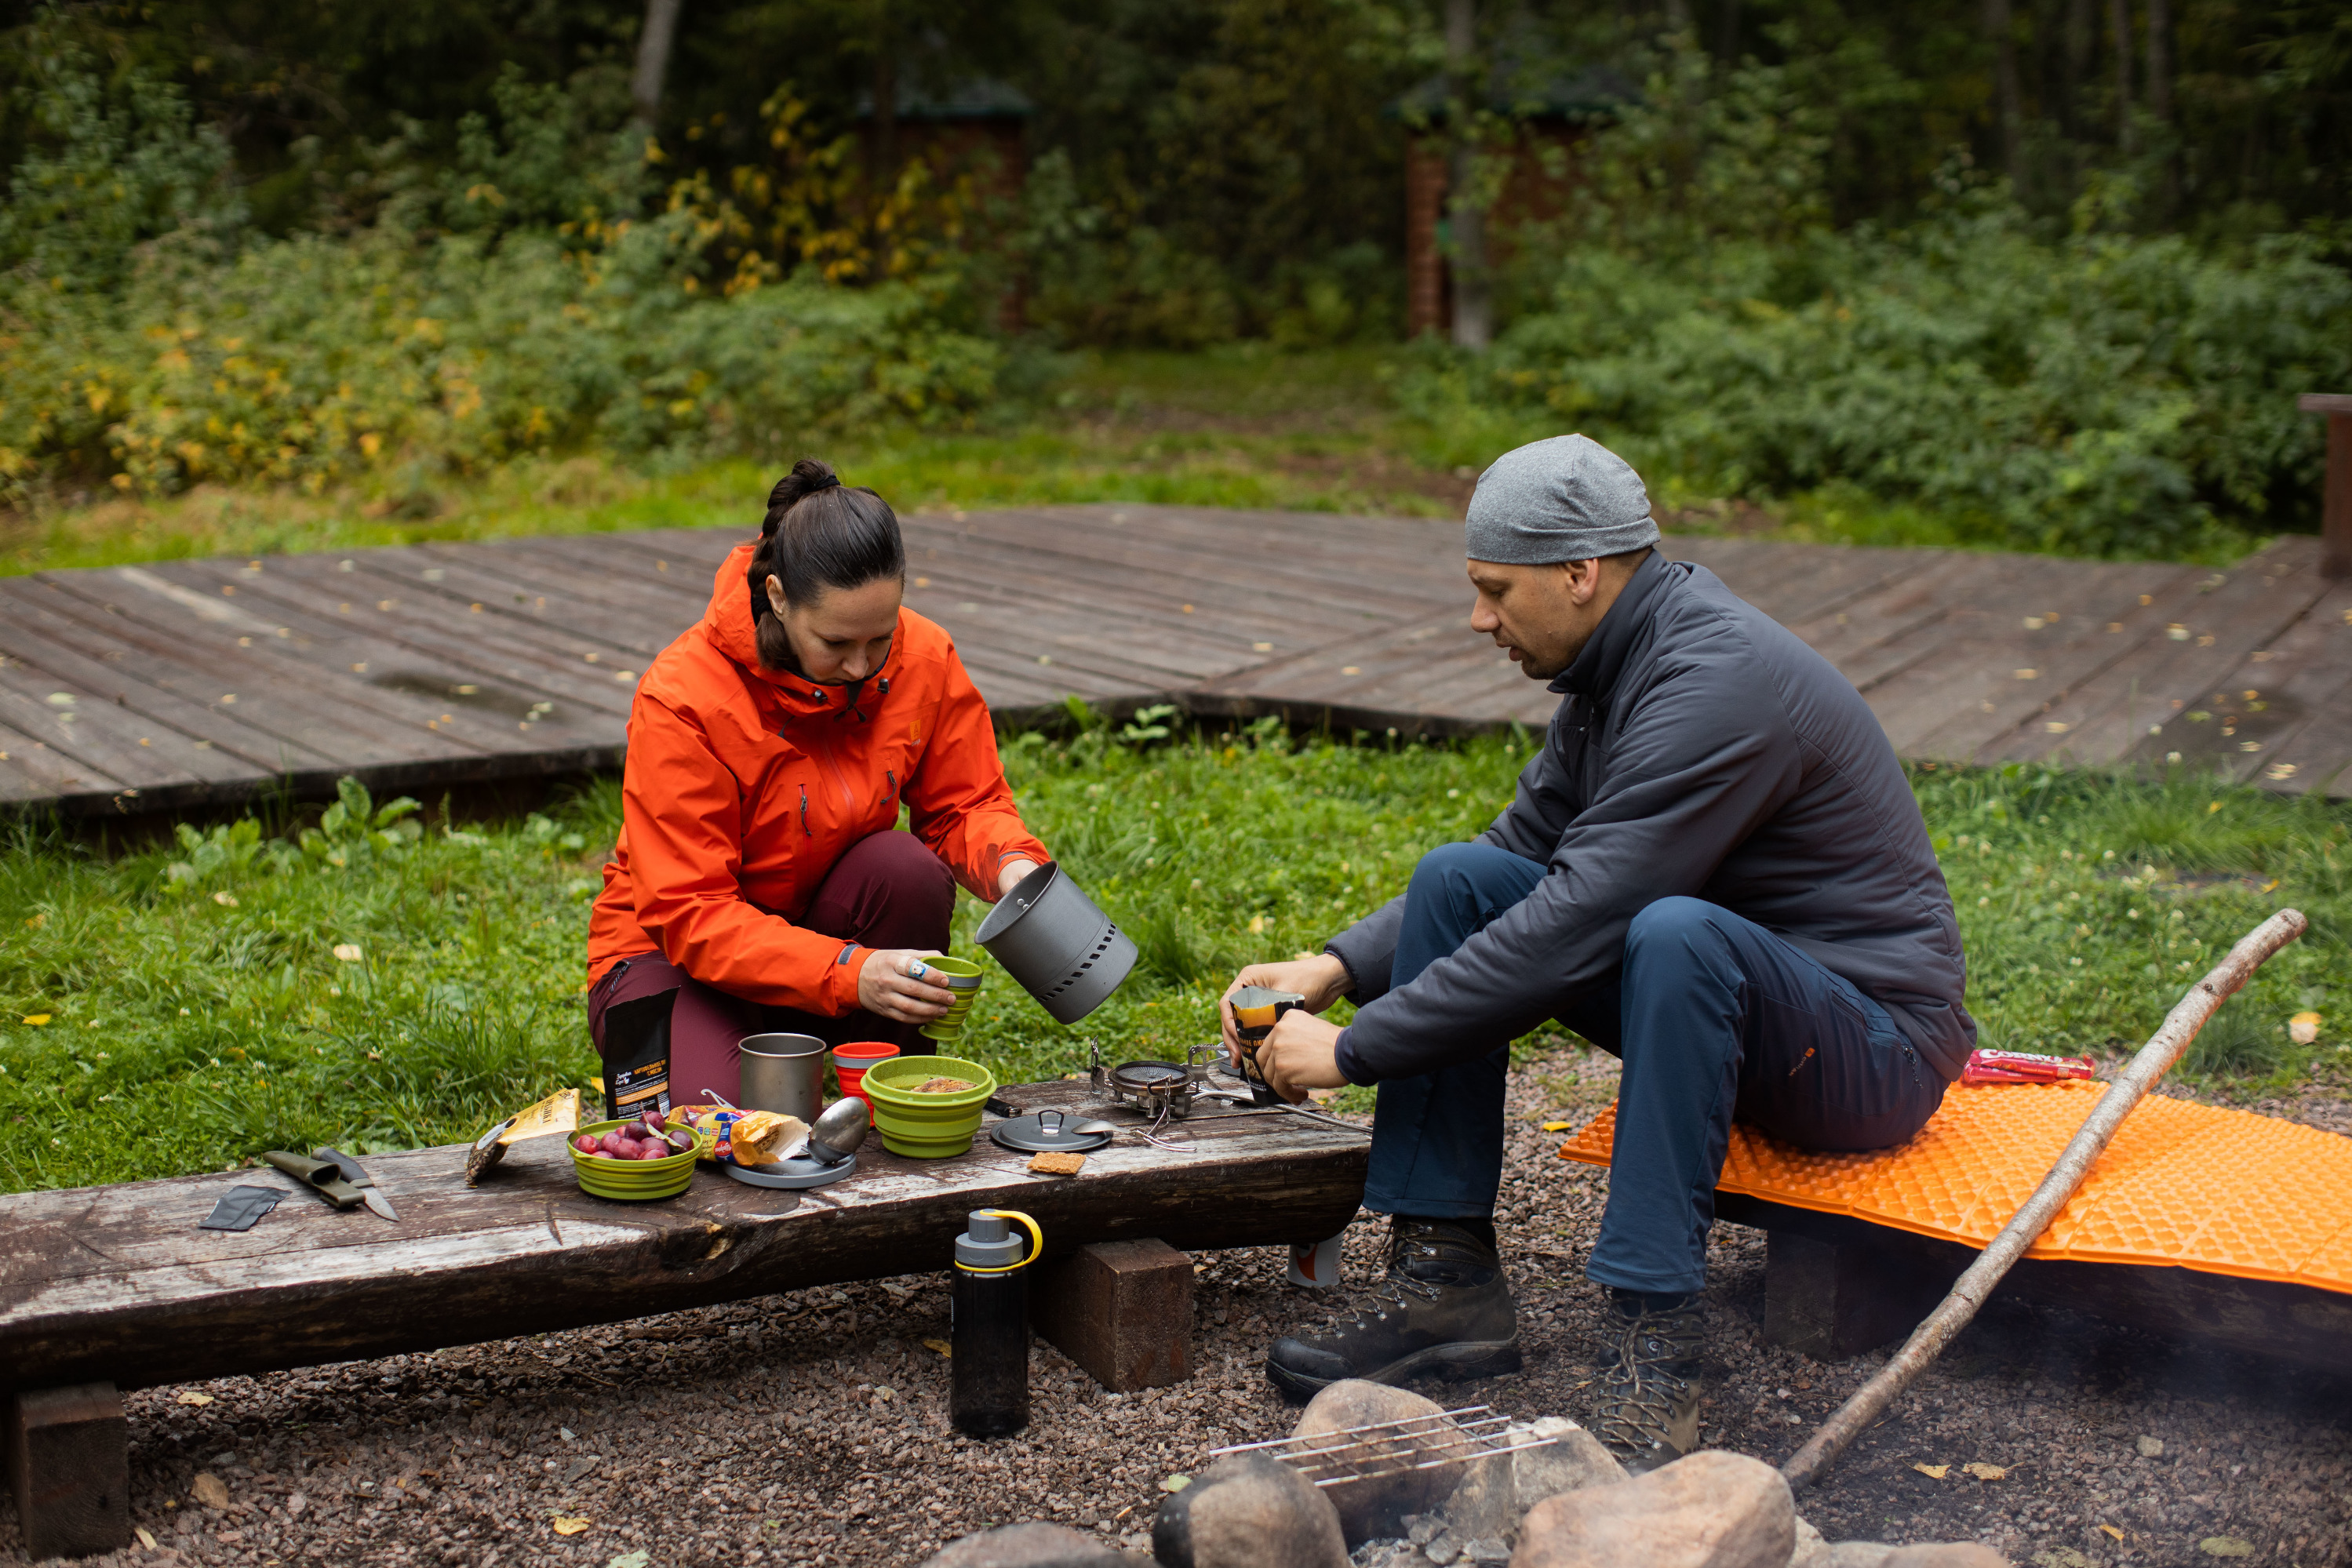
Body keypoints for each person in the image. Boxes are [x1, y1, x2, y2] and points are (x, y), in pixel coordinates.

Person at [1219, 435, 1974, 1472]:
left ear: (1579, 573)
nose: (1477, 618)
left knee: (1672, 927)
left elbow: (1581, 918)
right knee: (1459, 875)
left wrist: (1355, 1049)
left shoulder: (1716, 681)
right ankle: (1446, 1279)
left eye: (1494, 590)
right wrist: (1337, 965)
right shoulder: (1617, 661)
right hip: (1742, 1010)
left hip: (1872, 1046)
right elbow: (1513, 856)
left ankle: (1652, 1338)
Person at [587, 459, 1049, 1110]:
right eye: (836, 642)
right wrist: (847, 971)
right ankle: (733, 1060)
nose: (860, 667)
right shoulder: (684, 696)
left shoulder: (923, 655)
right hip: (668, 963)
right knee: (726, 1133)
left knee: (903, 869)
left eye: (879, 638)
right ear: (777, 597)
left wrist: (1017, 868)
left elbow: (964, 804)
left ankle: (882, 1079)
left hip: (817, 956)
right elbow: (690, 911)